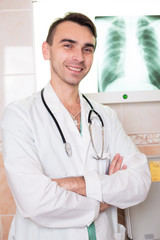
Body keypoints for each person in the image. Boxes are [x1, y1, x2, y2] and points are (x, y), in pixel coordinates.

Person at [1, 12, 151, 240]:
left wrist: (70, 184)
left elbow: (139, 183)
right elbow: (34, 201)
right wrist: (106, 195)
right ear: (46, 50)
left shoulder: (105, 116)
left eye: (87, 49)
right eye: (68, 45)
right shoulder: (19, 115)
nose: (79, 57)